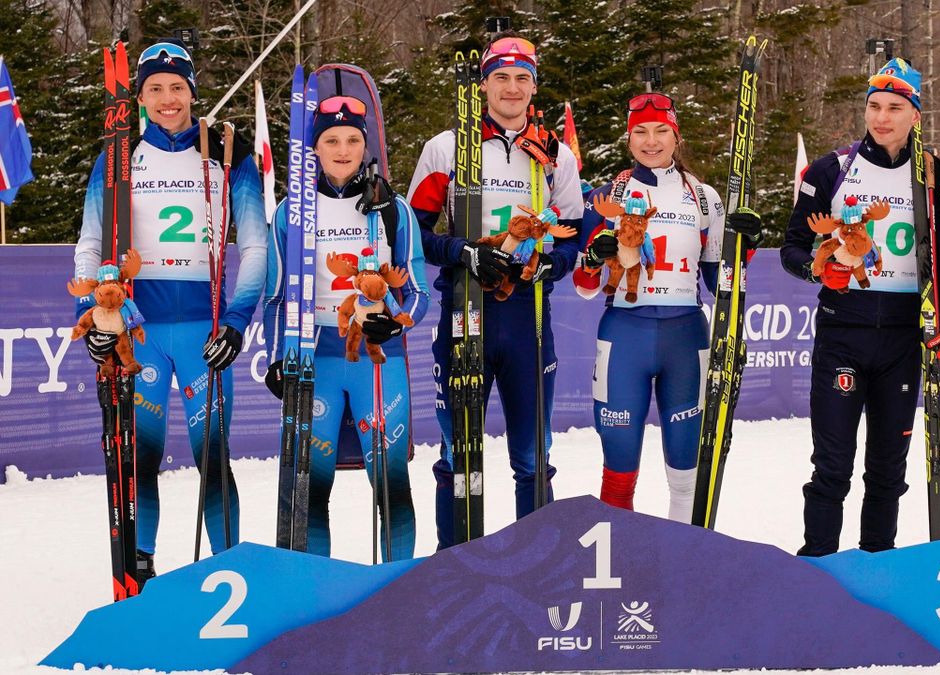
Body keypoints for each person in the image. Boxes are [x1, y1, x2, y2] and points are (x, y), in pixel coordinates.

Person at [73, 41, 267, 579]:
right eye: (154, 89)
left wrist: (236, 319)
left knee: (213, 458)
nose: (166, 98)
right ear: (139, 98)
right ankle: (140, 568)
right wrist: (99, 314)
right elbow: (91, 244)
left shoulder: (228, 154)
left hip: (204, 332)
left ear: (192, 92)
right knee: (141, 458)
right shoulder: (118, 157)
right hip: (142, 334)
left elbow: (254, 245)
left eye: (176, 87)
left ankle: (228, 571)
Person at [407, 33, 584, 548]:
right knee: (458, 451)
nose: (512, 88)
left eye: (522, 78)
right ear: (483, 84)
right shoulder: (446, 147)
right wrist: (464, 252)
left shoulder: (556, 155)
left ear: (534, 86)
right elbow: (413, 234)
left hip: (526, 319)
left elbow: (574, 235)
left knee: (533, 456)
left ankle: (538, 565)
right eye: (501, 77)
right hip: (464, 311)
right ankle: (453, 561)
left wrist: (548, 266)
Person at [780, 58, 940, 556]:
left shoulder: (932, 176)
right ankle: (818, 570)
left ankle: (877, 570)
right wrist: (818, 269)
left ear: (915, 116)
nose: (882, 118)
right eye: (874, 106)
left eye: (895, 108)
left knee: (887, 470)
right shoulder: (833, 168)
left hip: (903, 340)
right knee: (832, 467)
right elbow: (793, 247)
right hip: (844, 332)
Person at [572, 91, 762, 520]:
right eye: (640, 131)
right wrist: (590, 257)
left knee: (685, 470)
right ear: (628, 138)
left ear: (677, 137)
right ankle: (619, 569)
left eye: (661, 131)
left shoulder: (705, 197)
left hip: (685, 338)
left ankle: (683, 567)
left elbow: (720, 285)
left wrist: (743, 247)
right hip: (624, 337)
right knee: (619, 468)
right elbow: (585, 288)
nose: (651, 141)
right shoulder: (606, 198)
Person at [262, 91, 429, 560]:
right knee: (312, 487)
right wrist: (279, 358)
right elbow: (277, 295)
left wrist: (396, 325)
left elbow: (419, 291)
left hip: (378, 359)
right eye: (330, 140)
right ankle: (318, 594)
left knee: (391, 482)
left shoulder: (392, 209)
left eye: (352, 140)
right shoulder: (290, 211)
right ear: (313, 149)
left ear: (365, 145)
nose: (341, 150)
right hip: (315, 359)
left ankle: (398, 589)